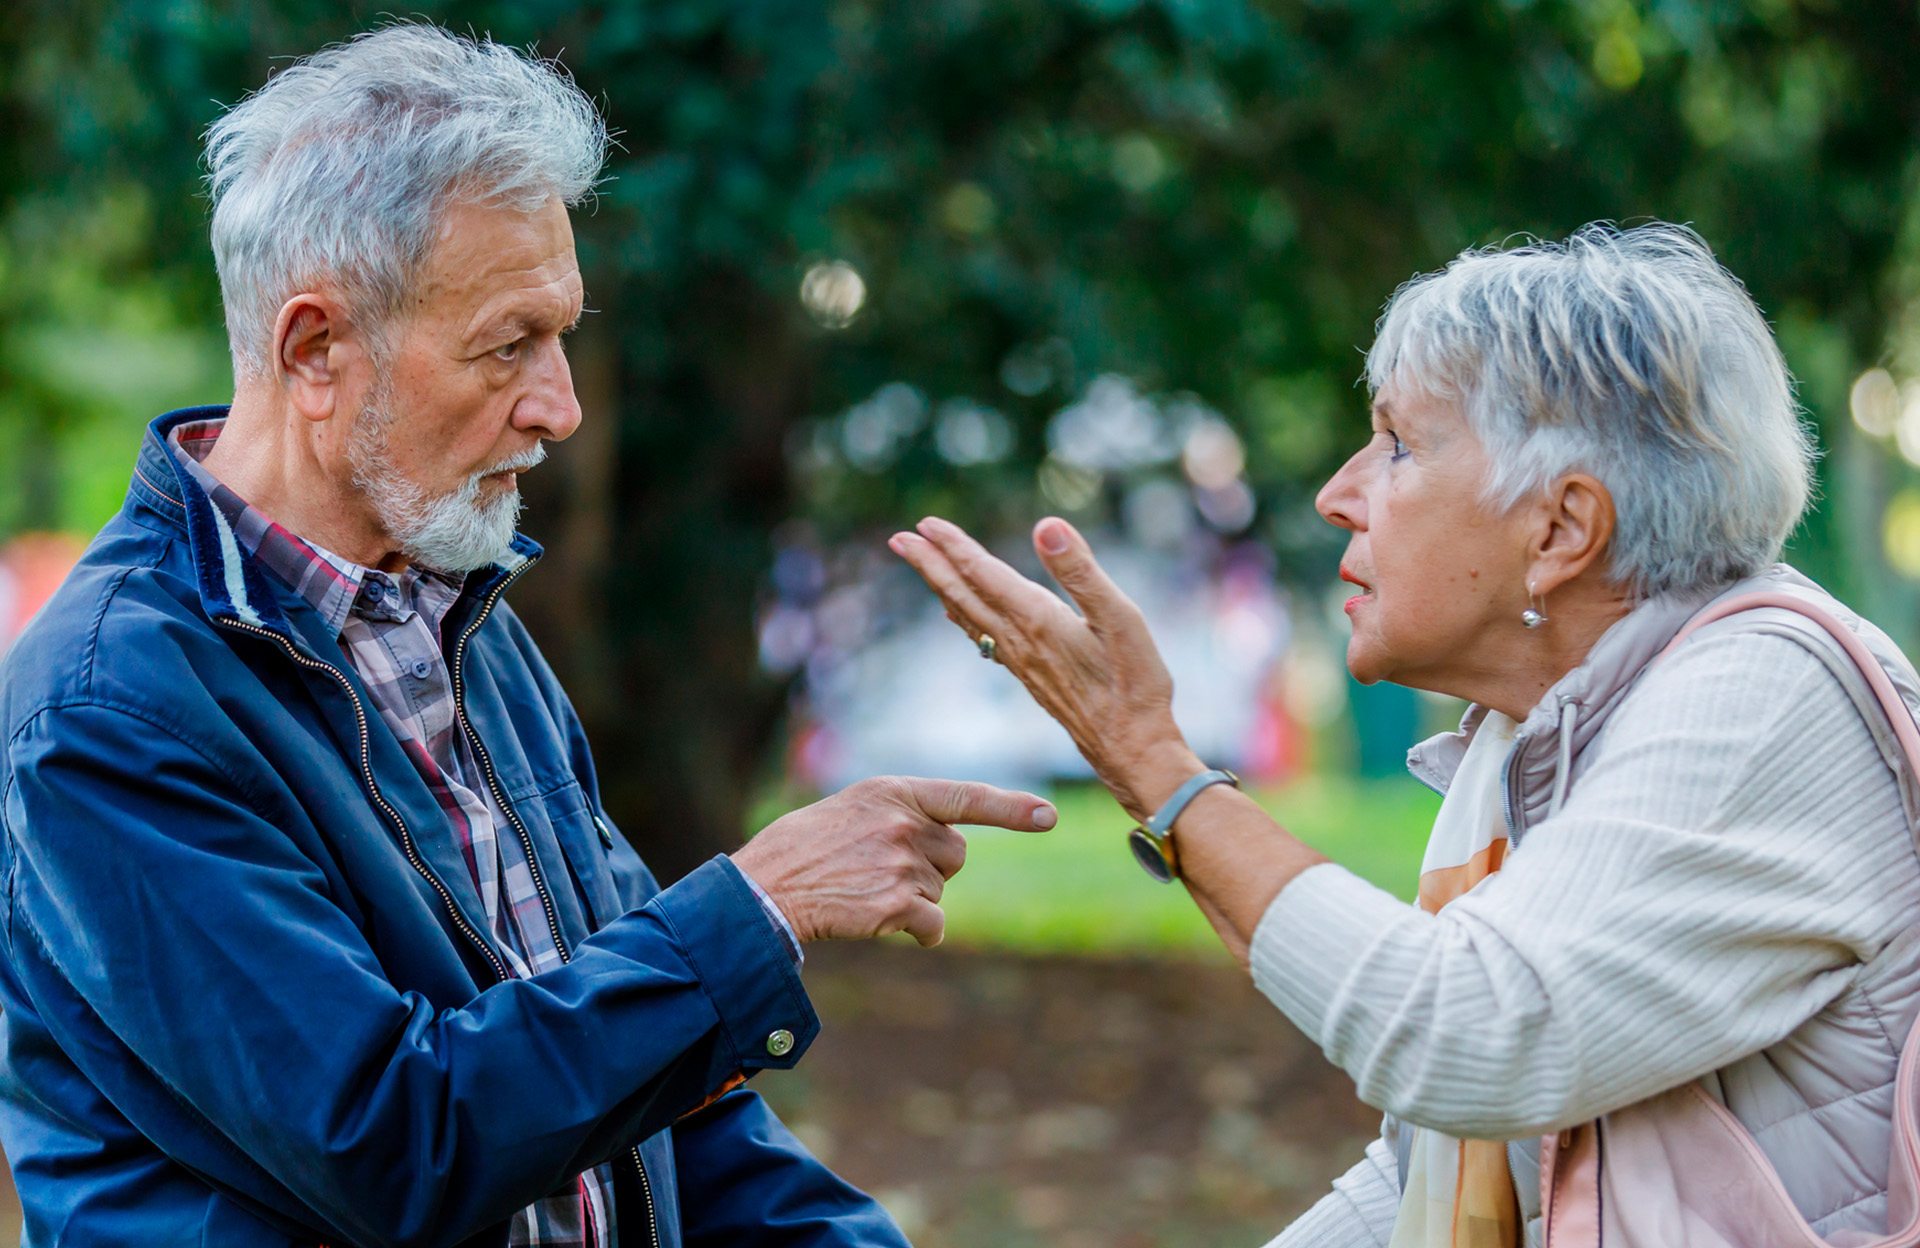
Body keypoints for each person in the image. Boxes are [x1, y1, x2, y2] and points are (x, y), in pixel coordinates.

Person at [0, 24, 1056, 1248]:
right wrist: (756, 907)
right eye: (510, 344)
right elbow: (392, 1145)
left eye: (562, 336)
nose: (560, 406)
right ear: (316, 350)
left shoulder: (461, 618)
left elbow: (663, 1104)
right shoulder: (106, 710)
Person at [892, 222, 1920, 1244]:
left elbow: (1472, 1037)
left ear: (1561, 527)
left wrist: (1159, 770)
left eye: (1397, 444)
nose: (1339, 497)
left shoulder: (1766, 695)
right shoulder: (1531, 739)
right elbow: (1429, 1171)